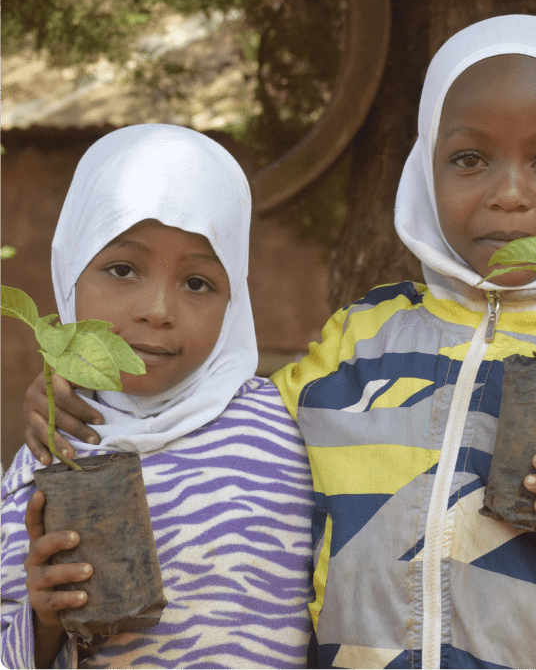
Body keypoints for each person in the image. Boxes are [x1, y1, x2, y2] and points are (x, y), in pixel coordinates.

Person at [17, 15, 536, 669]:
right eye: (468, 158)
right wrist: (77, 386)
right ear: (422, 163)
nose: (507, 194)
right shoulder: (355, 343)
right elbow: (206, 414)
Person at [1, 124, 313, 669]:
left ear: (234, 298)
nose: (158, 309)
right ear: (71, 272)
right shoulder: (51, 449)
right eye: (122, 269)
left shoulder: (294, 433)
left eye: (197, 283)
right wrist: (43, 620)